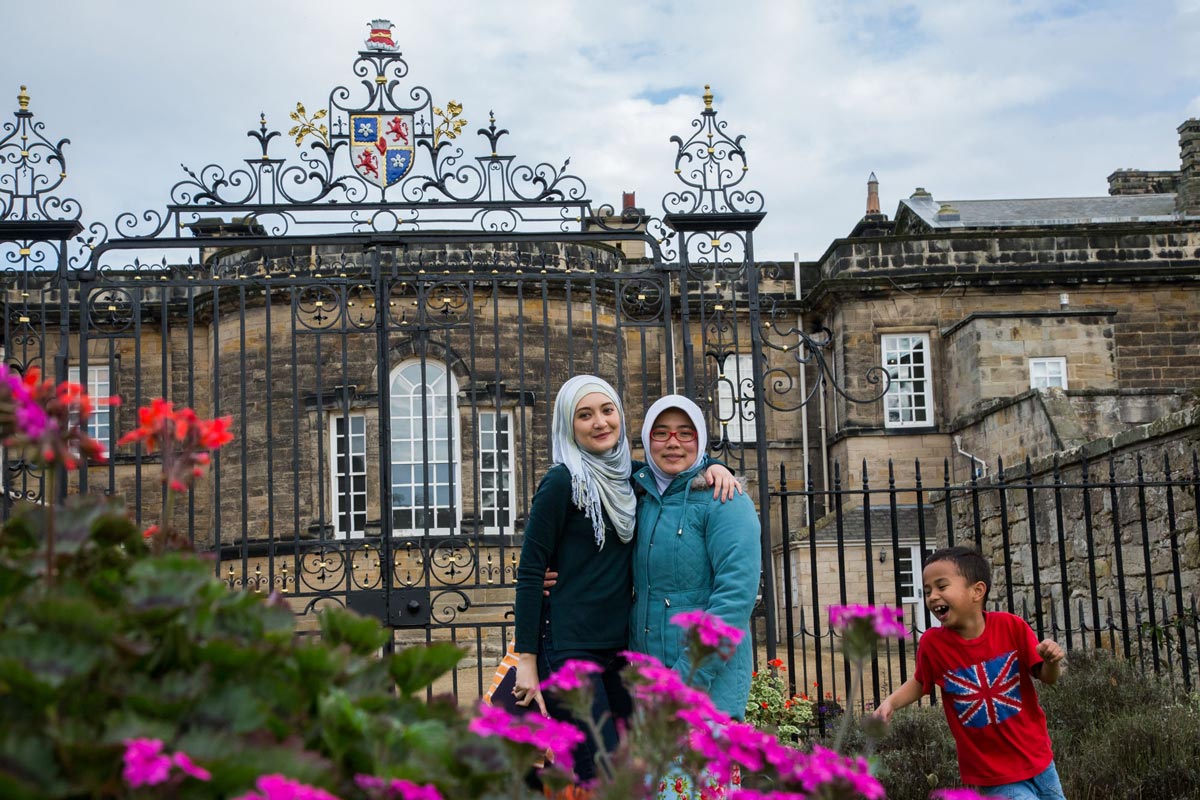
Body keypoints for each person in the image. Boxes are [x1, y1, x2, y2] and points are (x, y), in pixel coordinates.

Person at [511, 376, 738, 784]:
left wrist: (719, 465)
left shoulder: (632, 480)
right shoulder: (562, 482)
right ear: (569, 425)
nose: (599, 422)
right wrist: (526, 660)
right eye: (584, 415)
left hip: (619, 649)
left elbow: (680, 464)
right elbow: (530, 572)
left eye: (607, 410)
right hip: (568, 647)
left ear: (620, 415)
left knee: (644, 763)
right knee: (598, 771)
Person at [875, 546, 1067, 800]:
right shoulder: (934, 644)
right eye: (928, 589)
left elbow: (1048, 678)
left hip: (1038, 759)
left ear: (977, 591)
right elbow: (921, 682)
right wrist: (890, 702)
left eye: (942, 587)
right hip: (990, 772)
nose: (932, 596)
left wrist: (1051, 661)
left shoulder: (1011, 627)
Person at [628, 394, 761, 720]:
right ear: (647, 439)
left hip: (706, 695)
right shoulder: (641, 498)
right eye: (661, 432)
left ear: (700, 439)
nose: (673, 442)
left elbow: (733, 601)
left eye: (685, 432)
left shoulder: (725, 499)